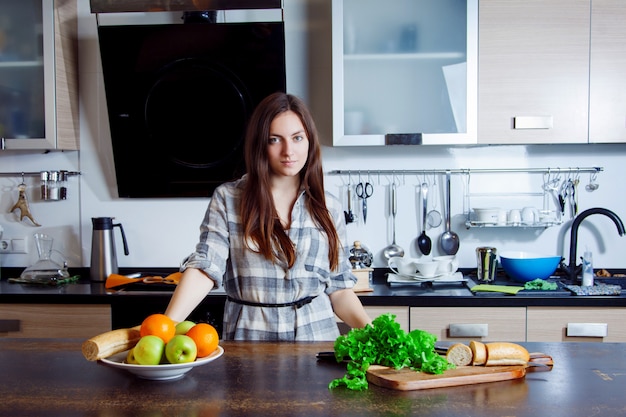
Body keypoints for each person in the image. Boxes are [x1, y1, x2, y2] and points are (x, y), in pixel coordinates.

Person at [165, 92, 371, 341]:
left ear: (309, 140)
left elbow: (339, 289)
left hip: (316, 344)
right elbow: (205, 268)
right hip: (250, 345)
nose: (288, 151)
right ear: (260, 143)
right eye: (275, 140)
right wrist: (164, 328)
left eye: (297, 138)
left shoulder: (329, 207)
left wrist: (374, 333)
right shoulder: (228, 200)